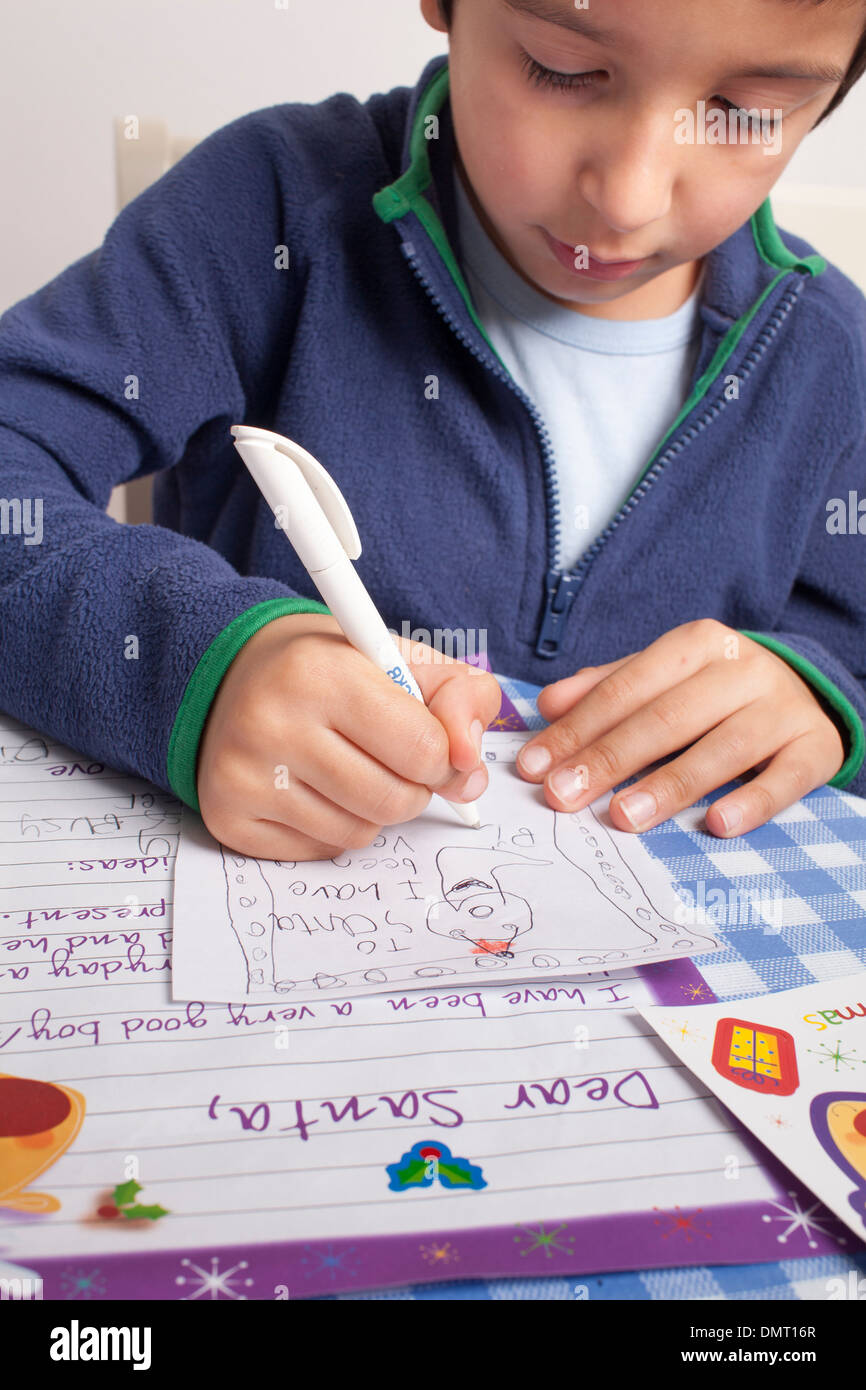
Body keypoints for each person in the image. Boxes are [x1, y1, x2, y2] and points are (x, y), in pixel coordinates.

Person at [1, 0, 864, 863]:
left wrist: (823, 703)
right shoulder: (270, 210)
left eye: (746, 111)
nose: (629, 196)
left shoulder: (834, 358)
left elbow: (849, 656)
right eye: (562, 68)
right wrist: (197, 666)